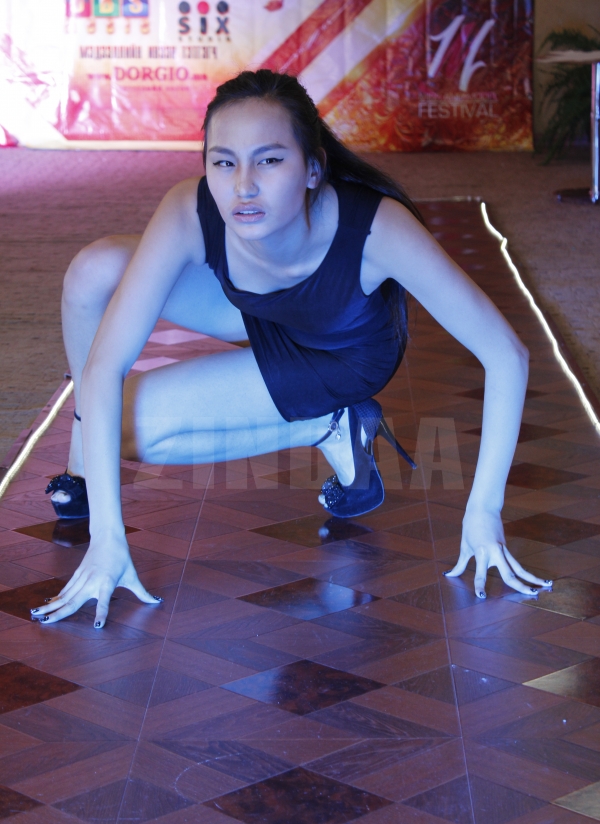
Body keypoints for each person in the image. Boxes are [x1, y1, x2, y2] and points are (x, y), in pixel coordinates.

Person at [33, 69, 550, 629]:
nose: (243, 186)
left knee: (124, 430)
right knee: (93, 270)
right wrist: (106, 539)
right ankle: (83, 465)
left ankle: (328, 423)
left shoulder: (377, 229)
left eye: (270, 160)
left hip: (339, 355)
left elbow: (507, 354)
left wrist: (484, 512)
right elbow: (105, 366)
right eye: (223, 162)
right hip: (264, 312)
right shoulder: (191, 207)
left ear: (312, 168)